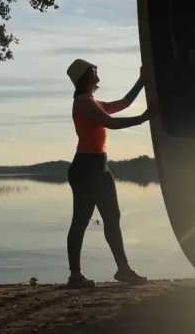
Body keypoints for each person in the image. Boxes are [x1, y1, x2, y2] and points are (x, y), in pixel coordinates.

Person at [65, 58, 151, 287]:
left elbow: (123, 103)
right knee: (80, 221)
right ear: (85, 76)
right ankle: (75, 276)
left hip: (99, 168)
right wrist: (144, 118)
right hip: (85, 169)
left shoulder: (93, 101)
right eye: (93, 70)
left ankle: (123, 270)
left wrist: (141, 81)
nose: (97, 72)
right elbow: (110, 123)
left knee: (112, 218)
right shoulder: (83, 103)